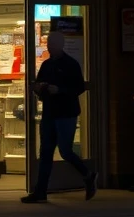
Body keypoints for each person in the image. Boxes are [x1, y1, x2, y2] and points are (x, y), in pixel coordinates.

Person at [21, 30, 97, 203]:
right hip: (49, 112)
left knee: (65, 150)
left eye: (52, 44)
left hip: (66, 113)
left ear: (61, 45)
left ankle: (88, 174)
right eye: (48, 44)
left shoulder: (71, 64)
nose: (50, 47)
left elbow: (79, 87)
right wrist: (38, 88)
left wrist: (60, 90)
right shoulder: (46, 65)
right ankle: (40, 192)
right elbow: (39, 83)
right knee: (45, 152)